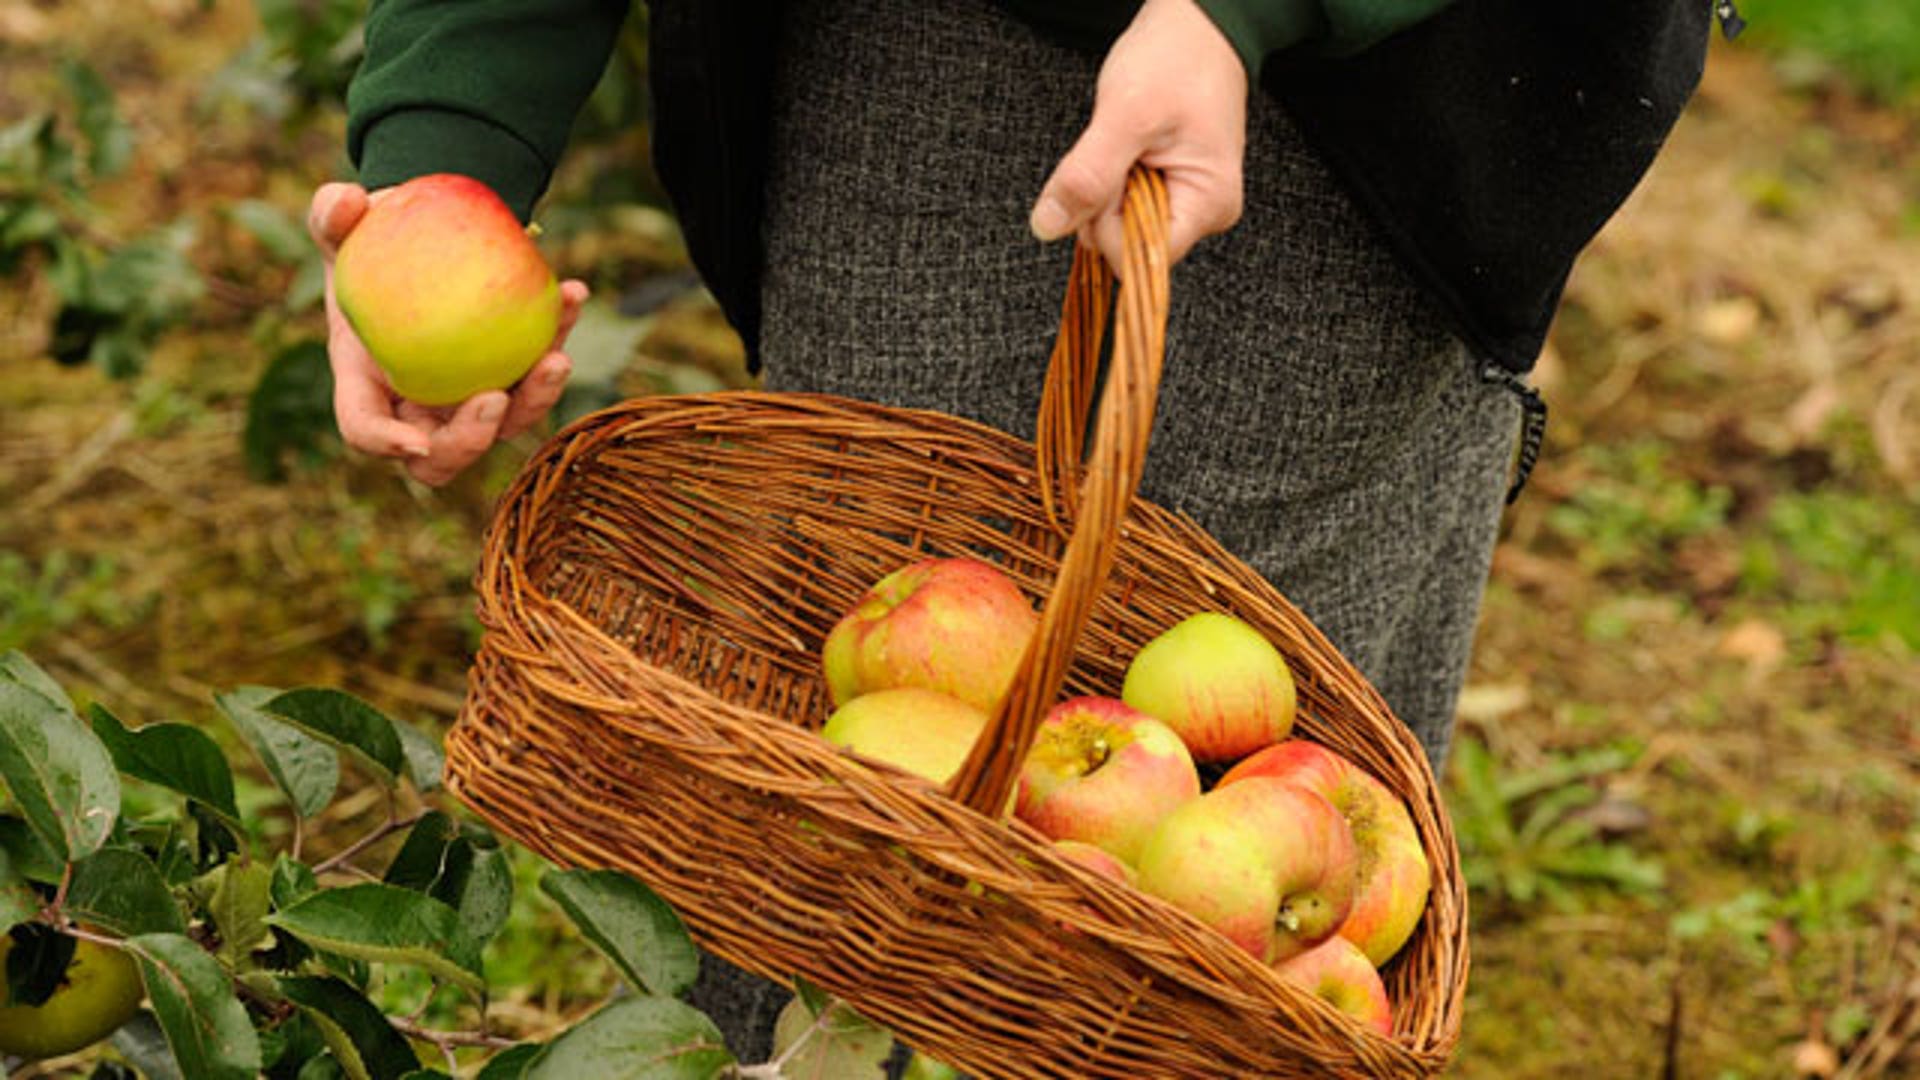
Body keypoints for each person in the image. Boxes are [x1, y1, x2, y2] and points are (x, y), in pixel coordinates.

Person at [309, 0, 1730, 1061]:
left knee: (1206, 957)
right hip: (941, 48)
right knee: (849, 891)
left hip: (1363, 90)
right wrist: (449, 156)